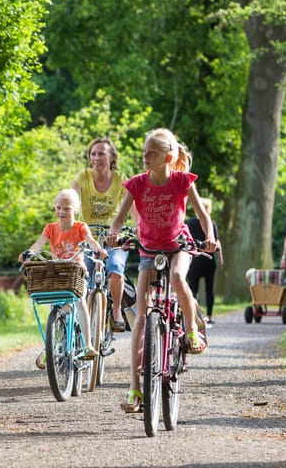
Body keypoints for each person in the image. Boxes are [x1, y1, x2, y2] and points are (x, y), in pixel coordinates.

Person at [107, 127, 217, 413]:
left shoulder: (182, 181)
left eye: (151, 153)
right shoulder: (136, 184)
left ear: (167, 157)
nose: (145, 156)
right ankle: (134, 388)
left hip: (178, 245)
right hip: (148, 249)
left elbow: (202, 216)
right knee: (142, 317)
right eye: (144, 151)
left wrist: (210, 237)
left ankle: (192, 330)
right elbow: (118, 219)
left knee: (179, 278)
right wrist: (114, 235)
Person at [18, 188, 106, 359]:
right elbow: (38, 245)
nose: (61, 212)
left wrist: (99, 250)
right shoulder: (50, 228)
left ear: (75, 210)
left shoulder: (80, 227)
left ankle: (87, 345)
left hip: (76, 273)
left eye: (66, 208)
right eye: (58, 207)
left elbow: (91, 241)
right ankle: (51, 348)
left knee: (80, 301)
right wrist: (28, 253)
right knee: (55, 307)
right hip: (57, 273)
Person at [72, 138, 138, 333]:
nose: (96, 157)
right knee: (84, 277)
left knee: (115, 269)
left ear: (111, 158)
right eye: (93, 153)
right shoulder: (83, 177)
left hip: (113, 239)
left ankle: (117, 313)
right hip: (88, 240)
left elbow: (132, 208)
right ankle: (81, 324)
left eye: (101, 153)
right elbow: (73, 199)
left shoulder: (120, 179)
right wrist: (69, 215)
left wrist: (139, 227)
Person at [186, 197, 223, 325]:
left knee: (192, 289)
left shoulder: (189, 223)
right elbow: (217, 242)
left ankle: (194, 316)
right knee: (209, 289)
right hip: (208, 259)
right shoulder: (211, 223)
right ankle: (209, 315)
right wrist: (220, 258)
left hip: (194, 259)